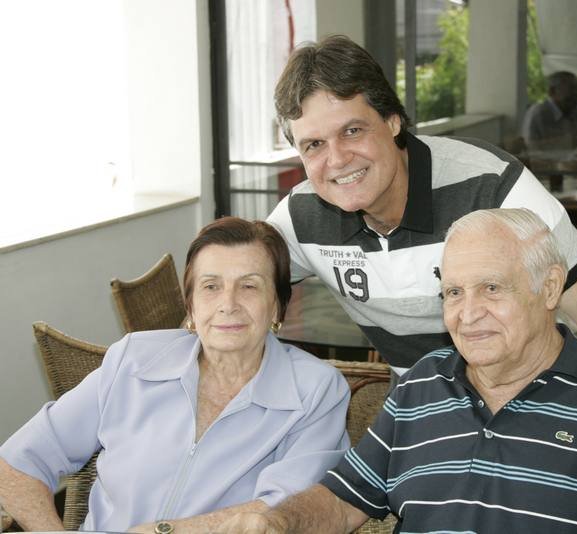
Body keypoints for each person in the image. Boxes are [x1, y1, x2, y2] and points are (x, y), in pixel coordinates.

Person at [218, 208, 577, 533]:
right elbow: (342, 499)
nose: (467, 312)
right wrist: (278, 522)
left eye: (492, 288)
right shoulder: (422, 384)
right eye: (454, 293)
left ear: (550, 289)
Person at [267, 34, 577, 380]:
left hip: (540, 403)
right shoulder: (303, 215)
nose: (337, 160)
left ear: (392, 122)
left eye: (352, 131)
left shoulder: (493, 187)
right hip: (426, 417)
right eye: (314, 145)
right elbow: (225, 287)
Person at [0, 218, 350, 532]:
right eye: (211, 286)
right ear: (191, 307)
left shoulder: (315, 391)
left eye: (249, 286)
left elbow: (285, 514)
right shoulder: (133, 360)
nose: (228, 303)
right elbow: (17, 462)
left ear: (277, 306)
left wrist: (162, 531)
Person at [520, 71, 577, 151]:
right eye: (571, 88)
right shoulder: (538, 114)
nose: (575, 93)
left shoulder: (576, 113)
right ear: (552, 91)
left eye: (576, 88)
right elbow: (531, 150)